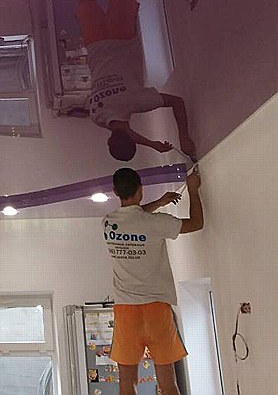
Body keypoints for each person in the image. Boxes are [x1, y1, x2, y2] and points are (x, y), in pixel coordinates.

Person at [69, 0, 196, 161]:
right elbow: (123, 132)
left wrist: (184, 137)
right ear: (109, 141)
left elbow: (177, 102)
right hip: (95, 43)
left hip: (121, 39)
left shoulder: (137, 101)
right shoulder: (96, 116)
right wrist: (152, 144)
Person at [103, 167, 204, 395]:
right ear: (141, 189)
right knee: (168, 385)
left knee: (127, 385)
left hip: (125, 310)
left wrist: (158, 203)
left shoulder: (107, 223)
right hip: (157, 309)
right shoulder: (156, 223)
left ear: (115, 191)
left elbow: (133, 217)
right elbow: (197, 223)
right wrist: (193, 189)